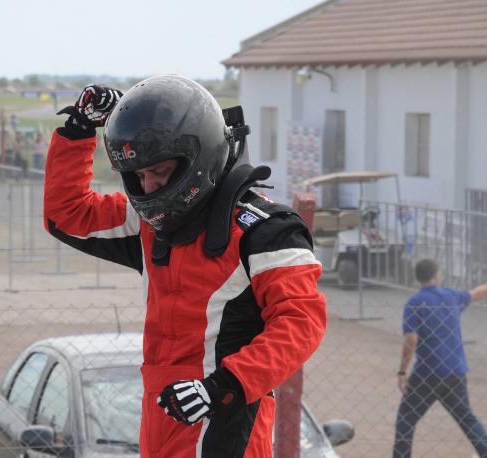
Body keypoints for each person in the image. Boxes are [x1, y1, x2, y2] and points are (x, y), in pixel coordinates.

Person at [43, 76, 327, 457]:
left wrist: (221, 386)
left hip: (227, 427)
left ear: (197, 157)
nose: (147, 188)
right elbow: (66, 215)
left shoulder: (268, 231)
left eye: (159, 172)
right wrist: (78, 131)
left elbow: (302, 323)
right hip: (161, 423)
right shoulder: (148, 224)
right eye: (139, 176)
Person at [393, 258, 487, 458]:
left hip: (426, 374)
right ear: (436, 276)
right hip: (455, 371)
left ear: (419, 278)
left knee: (406, 419)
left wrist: (402, 371)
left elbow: (411, 339)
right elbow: (474, 294)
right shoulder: (450, 296)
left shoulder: (414, 302)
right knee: (467, 419)